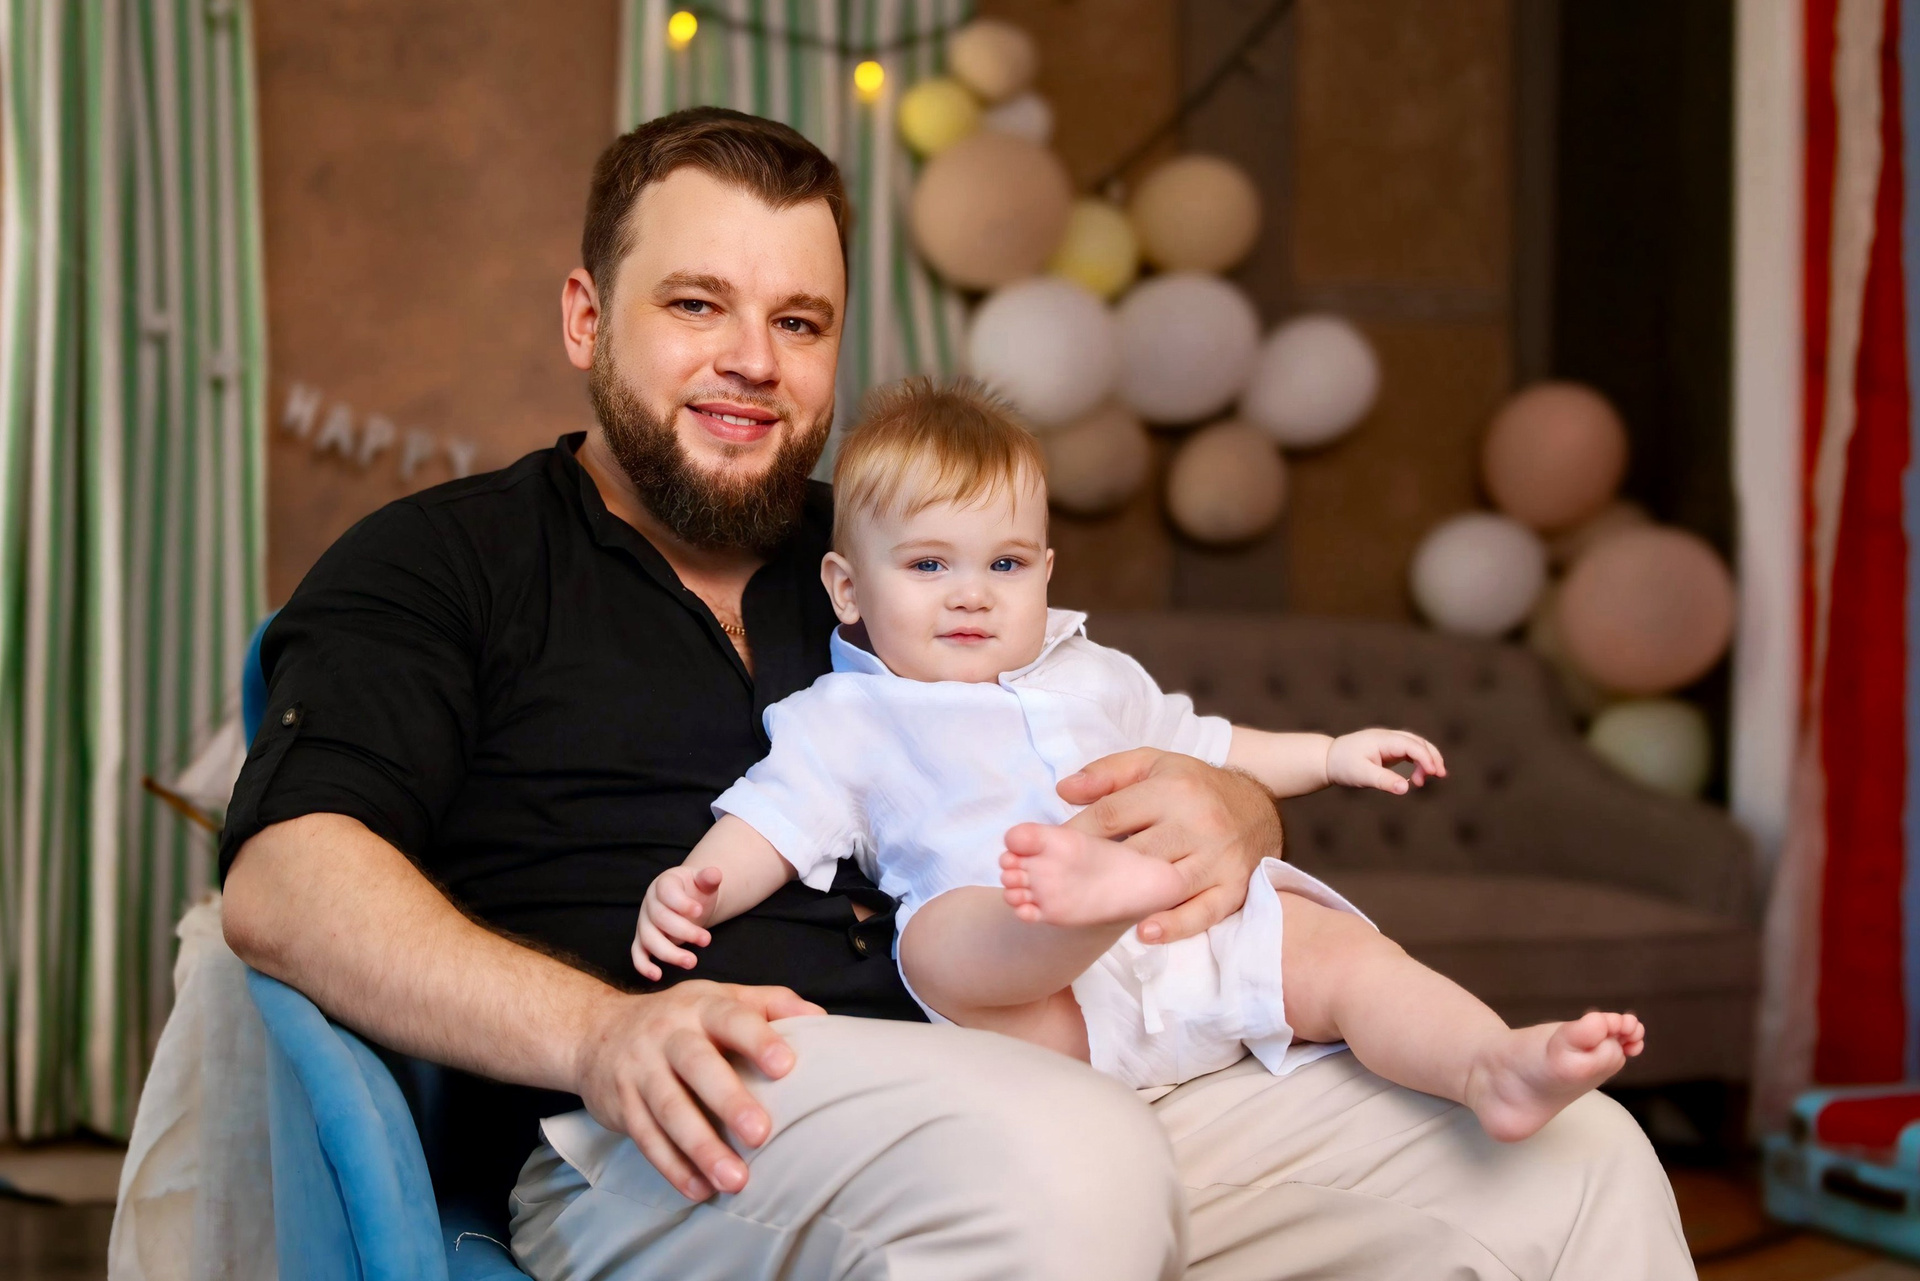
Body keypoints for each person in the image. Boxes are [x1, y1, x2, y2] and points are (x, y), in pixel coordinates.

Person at [220, 106, 1695, 1279]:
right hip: (674, 1131)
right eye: (697, 304)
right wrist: (598, 1034)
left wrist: (1235, 808)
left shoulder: (903, 546)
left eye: (801, 322)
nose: (751, 362)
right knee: (1063, 1160)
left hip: (1050, 1054)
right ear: (585, 318)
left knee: (1572, 1168)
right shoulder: (445, 562)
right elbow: (287, 882)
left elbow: (1119, 732)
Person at [634, 378, 1647, 1142]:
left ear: (1045, 571)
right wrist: (694, 889)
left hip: (1185, 952)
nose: (972, 593)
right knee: (937, 938)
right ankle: (1084, 898)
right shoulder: (849, 717)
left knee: (1341, 954)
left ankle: (1488, 1065)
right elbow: (773, 821)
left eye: (1005, 563)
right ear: (848, 588)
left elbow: (1212, 750)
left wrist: (1332, 752)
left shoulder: (1095, 674)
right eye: (930, 564)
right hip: (1045, 1014)